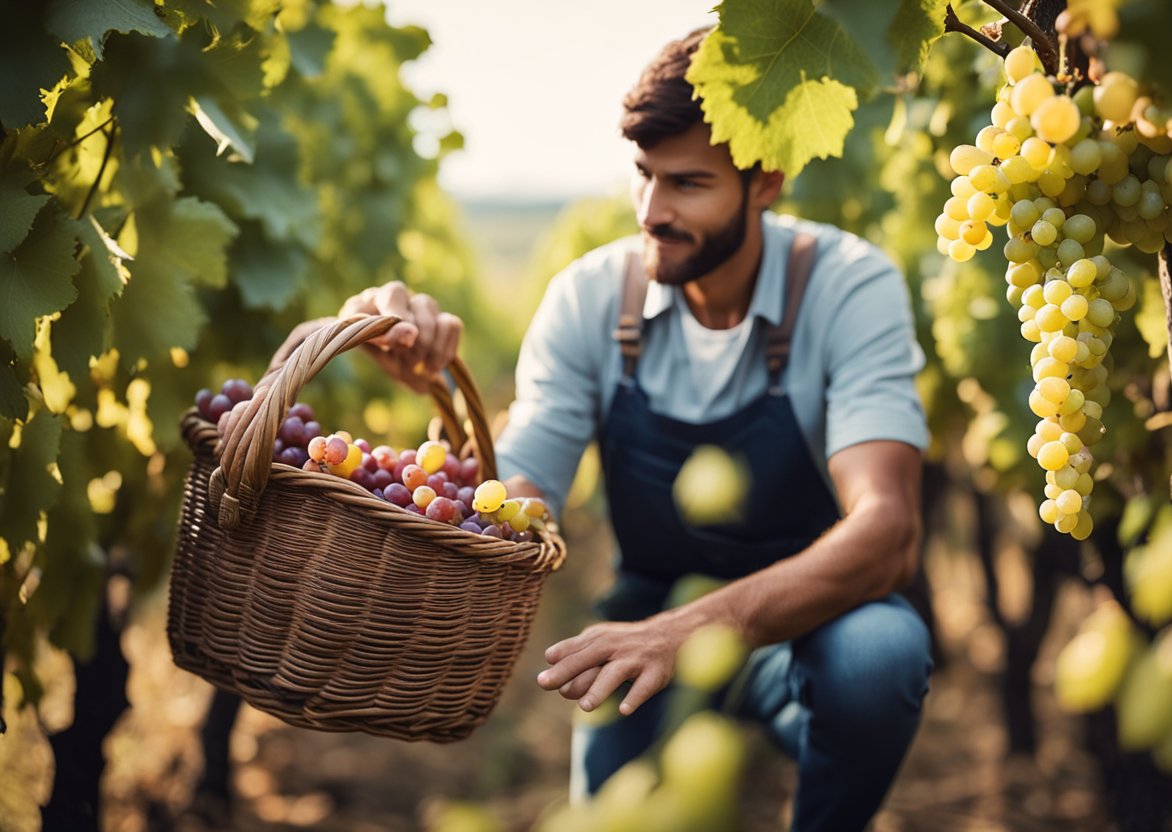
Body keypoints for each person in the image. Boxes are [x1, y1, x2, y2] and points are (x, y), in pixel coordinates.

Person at [335, 26, 932, 832]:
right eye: (643, 176)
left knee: (879, 659)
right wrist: (436, 399)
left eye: (688, 184)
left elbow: (889, 531)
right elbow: (518, 497)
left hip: (807, 629)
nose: (652, 212)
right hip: (641, 625)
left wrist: (695, 629)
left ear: (767, 183)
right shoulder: (589, 299)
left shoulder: (847, 287)